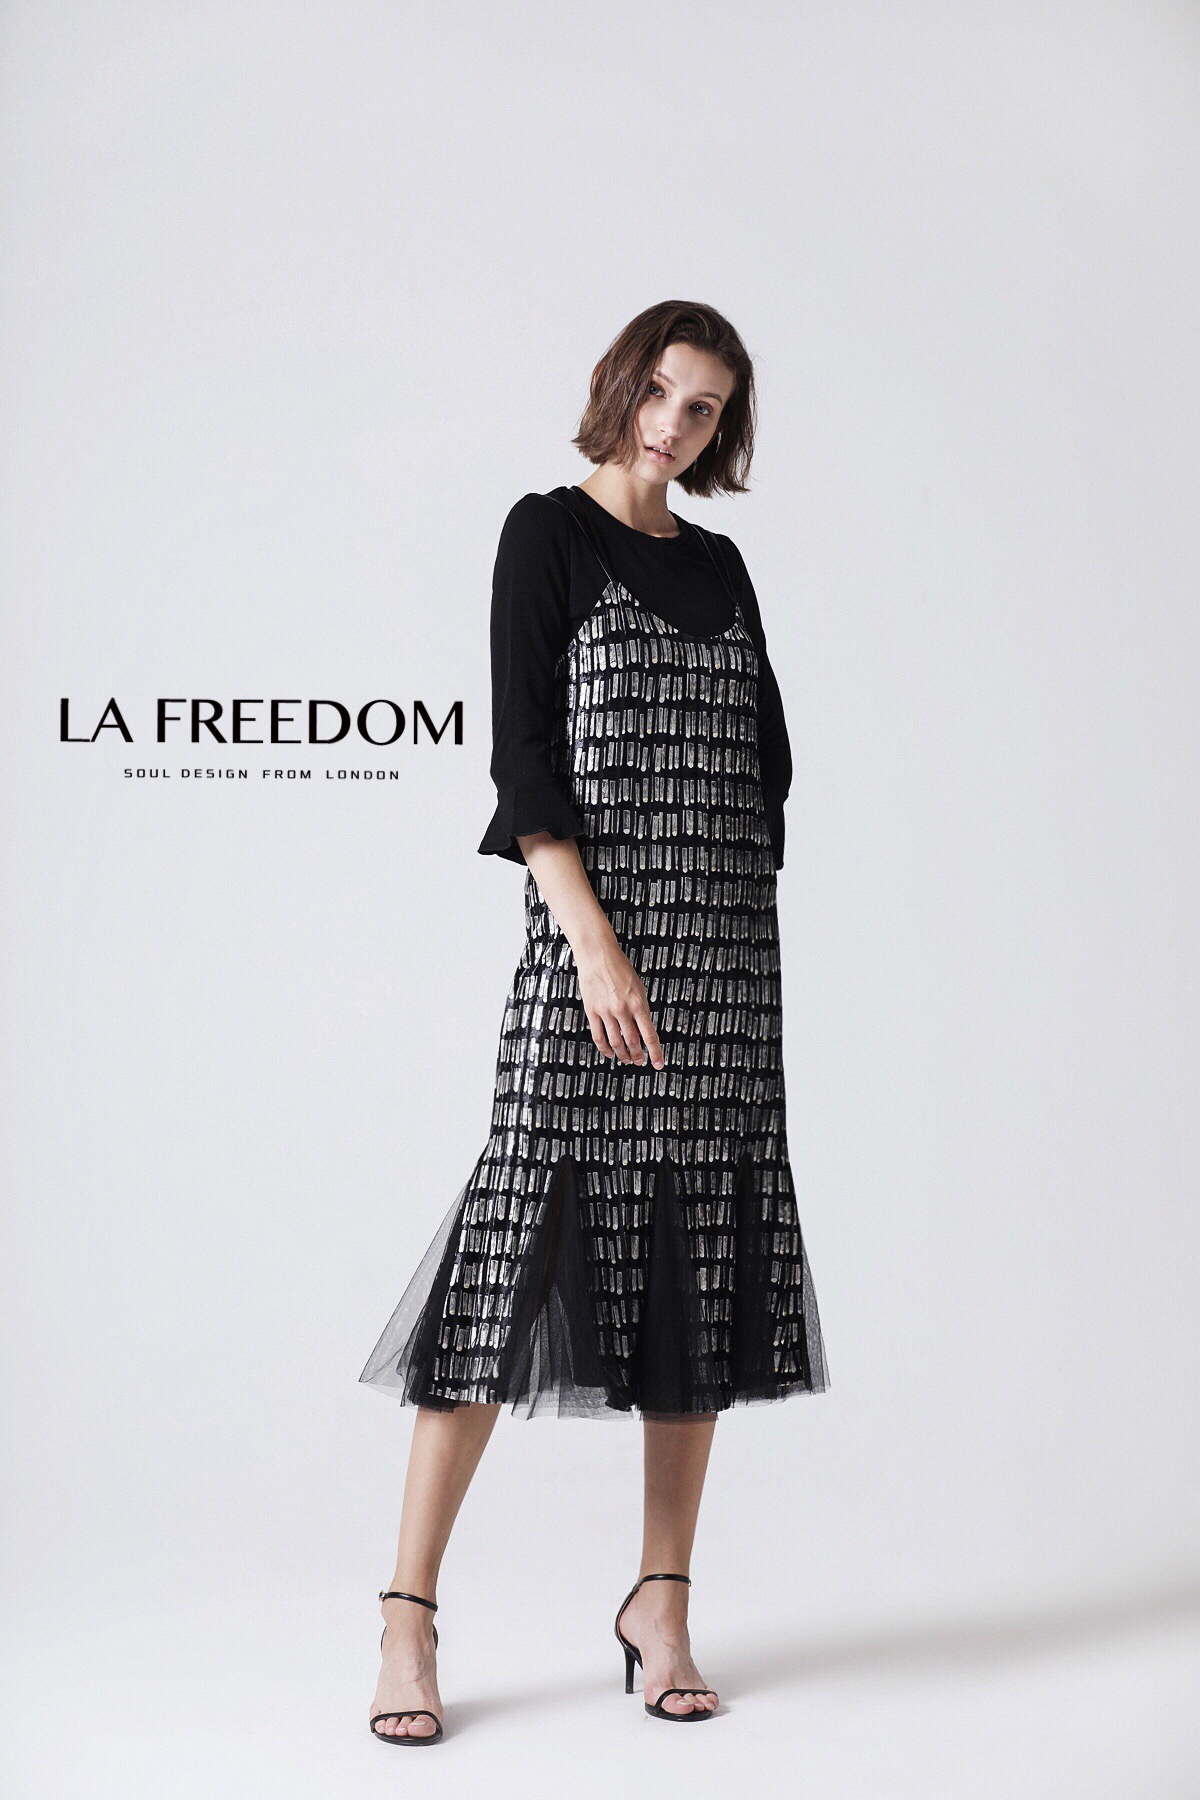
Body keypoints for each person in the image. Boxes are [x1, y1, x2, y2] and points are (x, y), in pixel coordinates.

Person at [360, 300, 830, 1744]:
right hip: (592, 955)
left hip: (725, 968)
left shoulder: (725, 566)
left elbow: (770, 765)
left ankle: (661, 1602)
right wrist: (594, 944)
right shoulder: (546, 537)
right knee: (515, 1235)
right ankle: (407, 1615)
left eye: (705, 409)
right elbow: (524, 762)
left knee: (701, 1250)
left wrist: (717, 911)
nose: (673, 427)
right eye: (661, 393)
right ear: (619, 385)